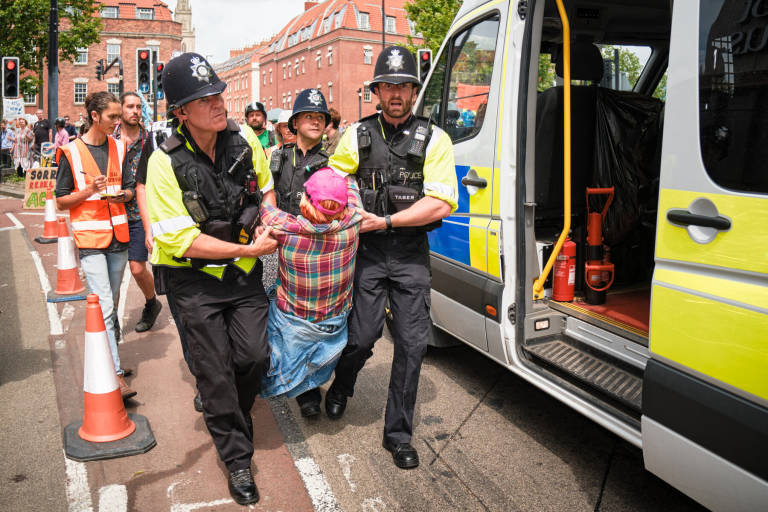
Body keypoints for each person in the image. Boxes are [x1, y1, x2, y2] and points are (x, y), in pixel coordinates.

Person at [145, 52, 277, 506]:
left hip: (243, 276)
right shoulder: (164, 163)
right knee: (215, 373)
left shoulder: (245, 141)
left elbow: (265, 186)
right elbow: (184, 242)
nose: (219, 103)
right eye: (205, 99)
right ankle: (237, 459)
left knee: (255, 357)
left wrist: (269, 219)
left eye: (218, 93)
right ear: (181, 111)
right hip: (194, 282)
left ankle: (236, 414)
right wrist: (249, 248)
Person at [326, 46, 458, 469]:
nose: (396, 94)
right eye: (388, 86)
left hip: (409, 255)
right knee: (362, 338)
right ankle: (342, 384)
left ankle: (398, 435)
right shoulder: (357, 135)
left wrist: (383, 221)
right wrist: (342, 202)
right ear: (377, 91)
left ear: (414, 91)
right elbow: (334, 180)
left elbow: (440, 203)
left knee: (412, 345)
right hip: (367, 254)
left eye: (404, 86)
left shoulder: (435, 139)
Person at [260, 168, 362, 417]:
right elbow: (353, 189)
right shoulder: (353, 222)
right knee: (316, 357)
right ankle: (312, 391)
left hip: (293, 319)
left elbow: (266, 208)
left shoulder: (285, 229)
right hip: (335, 319)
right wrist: (343, 178)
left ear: (304, 201)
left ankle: (306, 394)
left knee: (272, 300)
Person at [54, 91, 136, 400]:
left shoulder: (119, 146)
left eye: (119, 116)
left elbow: (129, 189)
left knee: (110, 306)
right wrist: (88, 189)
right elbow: (61, 201)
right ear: (95, 117)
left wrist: (122, 197)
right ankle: (114, 375)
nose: (118, 121)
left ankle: (106, 359)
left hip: (118, 237)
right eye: (113, 117)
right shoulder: (71, 152)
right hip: (90, 240)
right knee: (103, 306)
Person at [114, 91, 163, 334]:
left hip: (139, 213)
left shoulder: (150, 139)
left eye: (138, 107)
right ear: (120, 110)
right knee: (113, 272)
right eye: (130, 107)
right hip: (111, 213)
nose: (135, 111)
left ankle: (152, 303)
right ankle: (110, 320)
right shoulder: (109, 138)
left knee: (137, 268)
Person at [272, 88, 331, 216]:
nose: (316, 122)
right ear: (294, 123)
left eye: (321, 117)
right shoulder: (279, 157)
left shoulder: (332, 163)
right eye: (309, 116)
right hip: (280, 231)